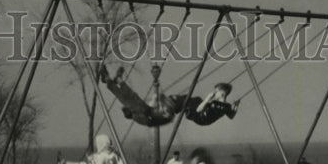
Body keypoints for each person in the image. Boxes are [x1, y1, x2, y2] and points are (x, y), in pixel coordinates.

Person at [100, 64, 238, 128]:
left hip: (169, 109)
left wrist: (208, 99)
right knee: (136, 102)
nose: (213, 94)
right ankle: (116, 81)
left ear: (222, 92)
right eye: (215, 91)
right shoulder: (221, 106)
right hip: (171, 108)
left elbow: (198, 111)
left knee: (136, 103)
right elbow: (230, 114)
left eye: (216, 91)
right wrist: (235, 108)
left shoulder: (215, 104)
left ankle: (112, 81)